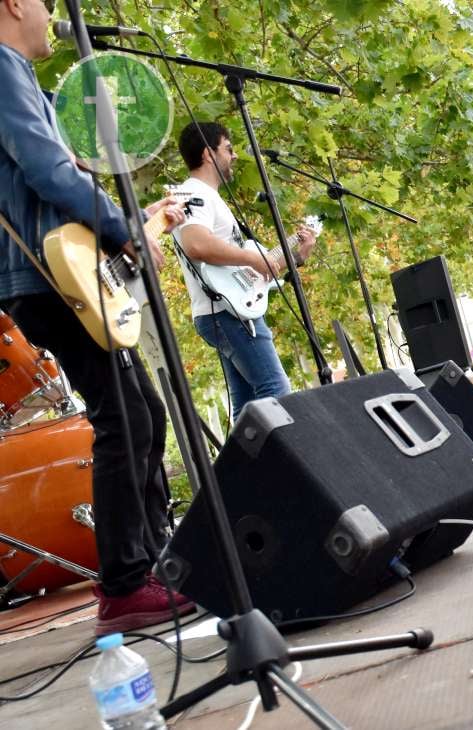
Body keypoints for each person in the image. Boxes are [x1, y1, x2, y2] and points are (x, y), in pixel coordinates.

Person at [0, 0, 196, 634]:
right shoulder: (1, 67)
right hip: (45, 276)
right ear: (12, 5)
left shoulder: (19, 76)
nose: (51, 15)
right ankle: (124, 586)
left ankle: (150, 565)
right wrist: (121, 229)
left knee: (143, 411)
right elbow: (48, 172)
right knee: (124, 417)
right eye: (45, 4)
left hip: (52, 273)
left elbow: (54, 173)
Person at [172, 121, 317, 420]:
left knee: (248, 405)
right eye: (228, 148)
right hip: (227, 314)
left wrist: (297, 258)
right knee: (275, 392)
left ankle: (238, 468)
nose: (235, 156)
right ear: (207, 154)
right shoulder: (191, 194)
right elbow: (195, 244)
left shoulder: (209, 198)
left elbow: (258, 273)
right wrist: (252, 260)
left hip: (230, 310)